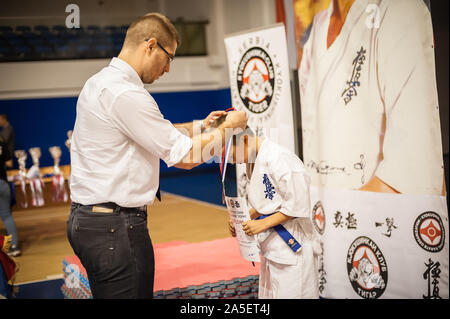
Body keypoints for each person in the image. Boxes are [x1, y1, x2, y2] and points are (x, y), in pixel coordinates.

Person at [67, 12, 247, 299]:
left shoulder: (100, 82)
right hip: (114, 228)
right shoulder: (125, 93)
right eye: (169, 58)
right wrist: (229, 129)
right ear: (150, 45)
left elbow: (155, 132)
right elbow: (184, 157)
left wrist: (203, 126)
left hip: (93, 222)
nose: (167, 69)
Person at [298, 0, 445, 196]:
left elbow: (411, 168)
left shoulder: (399, 9)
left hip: (374, 218)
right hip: (320, 213)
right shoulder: (318, 26)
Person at [227, 128, 319, 298]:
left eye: (233, 156)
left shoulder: (280, 158)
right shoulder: (256, 159)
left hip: (292, 244)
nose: (234, 162)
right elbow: (269, 203)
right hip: (272, 246)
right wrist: (245, 219)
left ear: (244, 141)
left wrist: (261, 224)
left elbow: (298, 204)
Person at [0, 139, 20, 257]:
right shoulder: (2, 143)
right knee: (7, 216)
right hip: (2, 183)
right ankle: (14, 246)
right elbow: (9, 164)